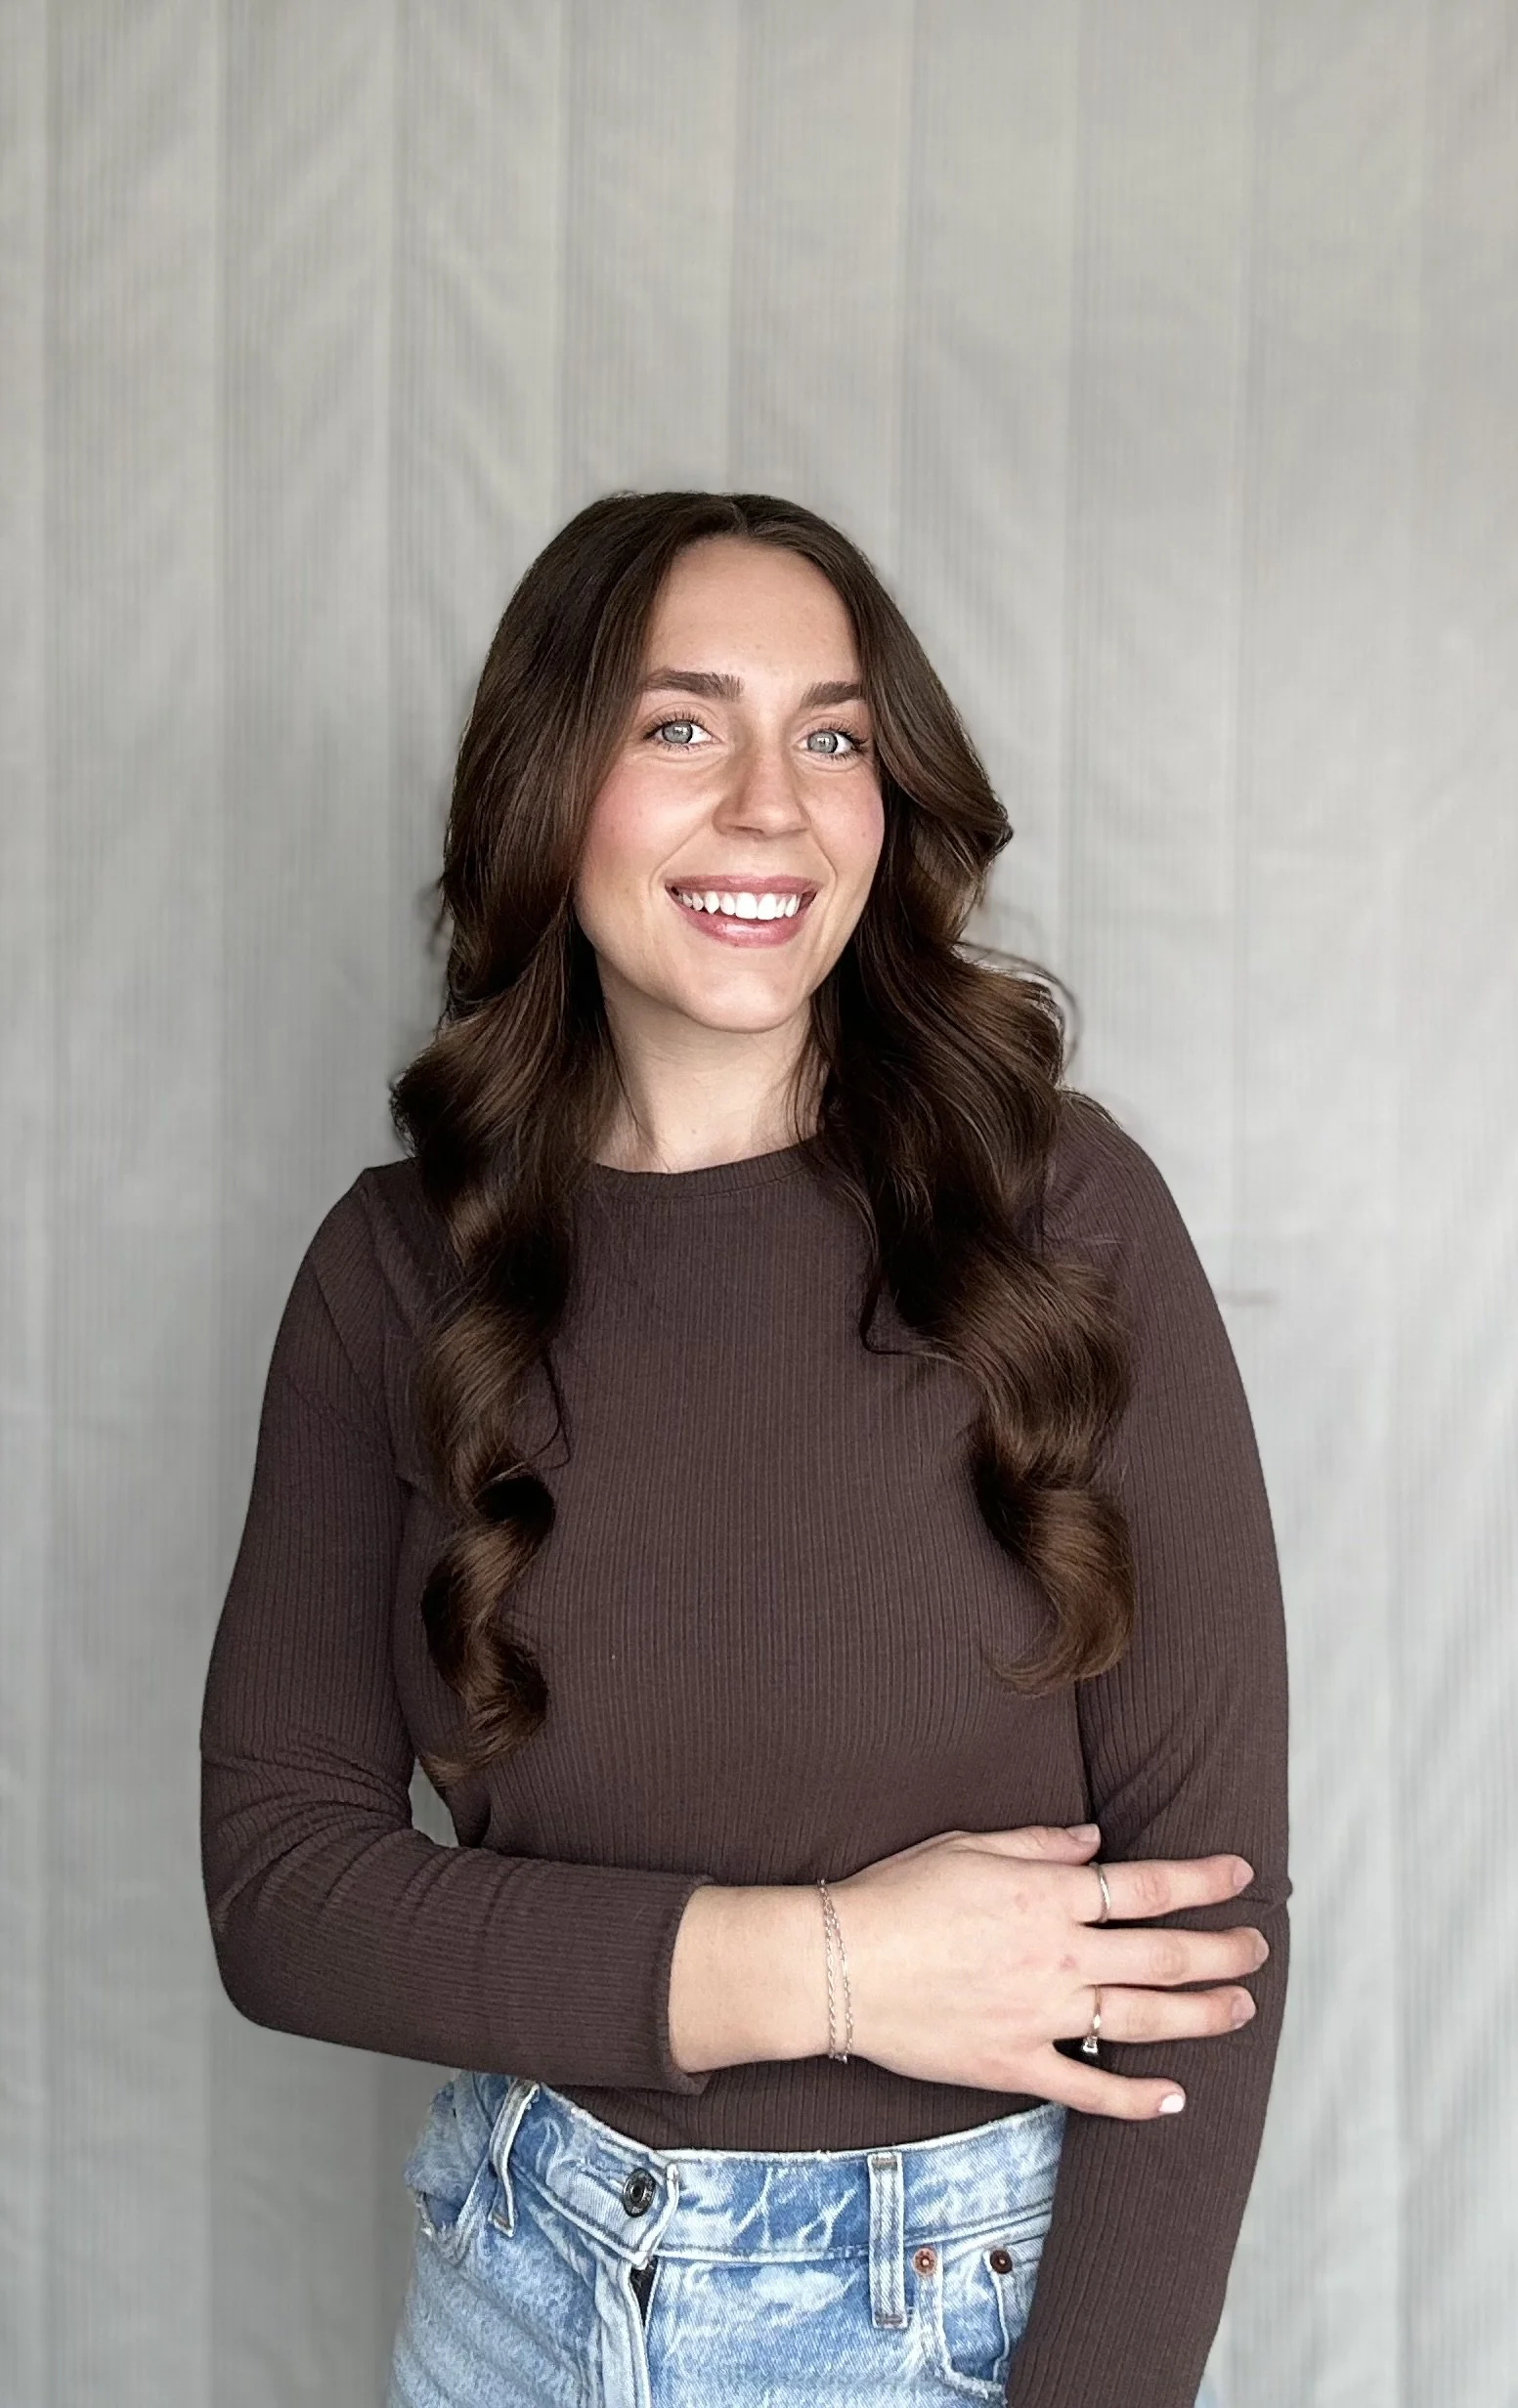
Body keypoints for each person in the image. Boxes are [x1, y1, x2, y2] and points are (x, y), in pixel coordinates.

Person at [199, 490, 1289, 2408]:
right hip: (510, 2293)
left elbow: (1200, 1942)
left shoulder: (1064, 1216)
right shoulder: (389, 1273)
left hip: (949, 2315)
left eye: (834, 733)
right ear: (550, 781)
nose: (773, 805)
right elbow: (281, 1886)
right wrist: (836, 1968)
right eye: (681, 721)